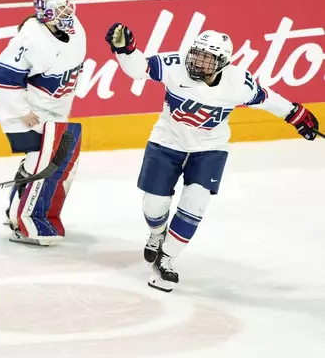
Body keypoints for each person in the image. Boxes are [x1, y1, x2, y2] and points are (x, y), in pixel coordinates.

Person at [105, 23, 320, 292]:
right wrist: (125, 50)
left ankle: (167, 259)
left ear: (222, 62)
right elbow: (138, 69)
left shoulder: (238, 82)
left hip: (209, 149)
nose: (197, 62)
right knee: (153, 207)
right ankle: (157, 234)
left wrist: (294, 114)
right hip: (167, 142)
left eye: (206, 58)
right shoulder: (175, 65)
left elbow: (267, 98)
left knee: (196, 203)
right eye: (196, 54)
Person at [0, 0, 86, 246]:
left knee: (55, 163)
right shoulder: (31, 39)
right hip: (30, 112)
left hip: (55, 114)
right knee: (39, 163)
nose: (70, 14)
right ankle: (21, 220)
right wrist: (22, 111)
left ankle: (17, 211)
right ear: (50, 13)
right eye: (64, 11)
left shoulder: (76, 30)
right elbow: (0, 78)